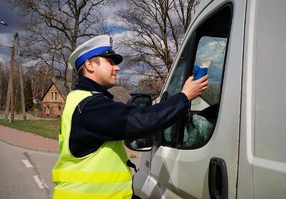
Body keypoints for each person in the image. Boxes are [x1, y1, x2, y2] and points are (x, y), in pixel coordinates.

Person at [52, 35, 208, 199]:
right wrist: (184, 97)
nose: (117, 68)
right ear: (89, 65)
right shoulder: (91, 106)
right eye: (110, 62)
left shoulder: (80, 99)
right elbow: (143, 121)